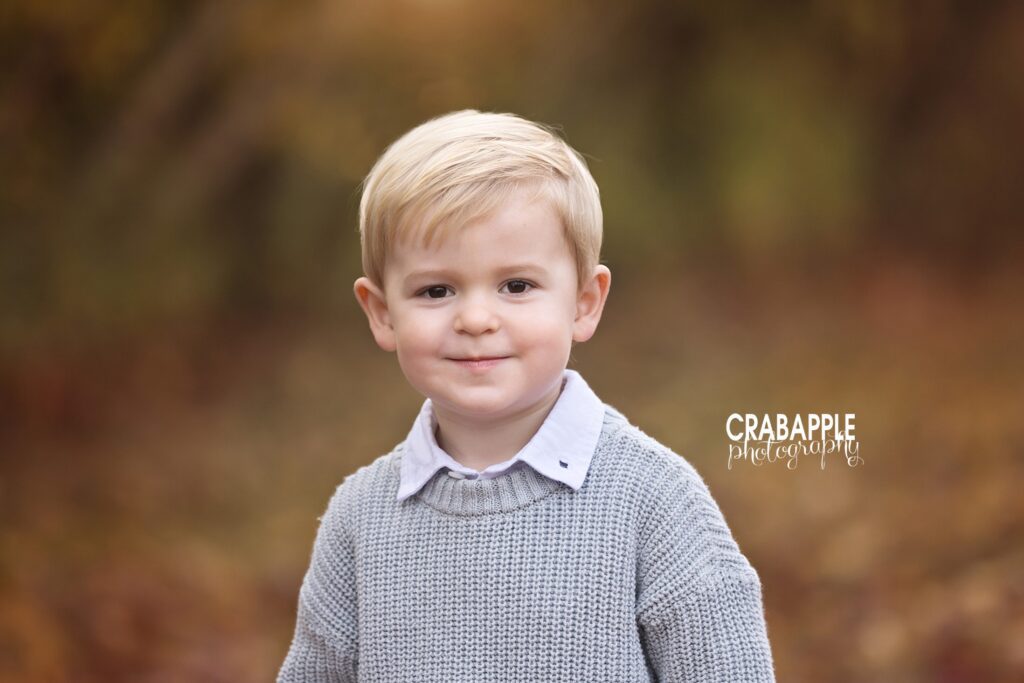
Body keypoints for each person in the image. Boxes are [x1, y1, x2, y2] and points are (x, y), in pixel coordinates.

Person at [277, 109, 776, 682]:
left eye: (516, 286)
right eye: (436, 290)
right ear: (383, 313)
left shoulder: (653, 501)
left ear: (584, 302)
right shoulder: (358, 520)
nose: (476, 318)